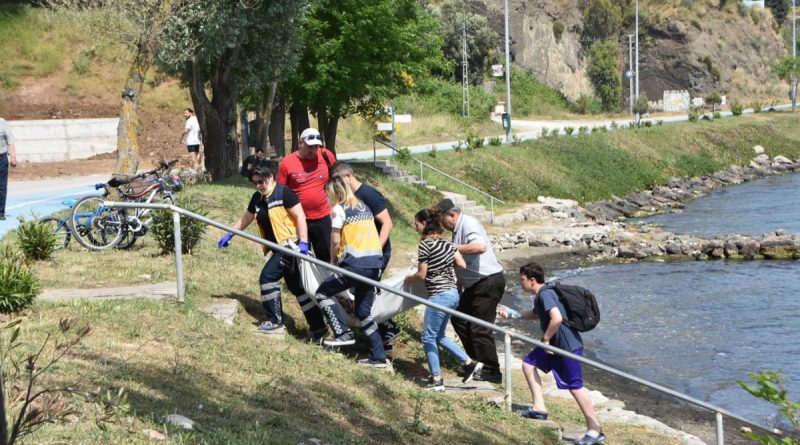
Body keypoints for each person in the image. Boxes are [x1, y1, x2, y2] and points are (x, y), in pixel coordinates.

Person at [497, 262, 604, 445]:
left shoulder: (545, 294)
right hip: (555, 345)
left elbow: (557, 318)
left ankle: (595, 430)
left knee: (575, 386)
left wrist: (546, 339)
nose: (520, 283)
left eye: (522, 280)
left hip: (566, 346)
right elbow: (537, 314)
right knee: (529, 363)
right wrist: (514, 315)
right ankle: (539, 408)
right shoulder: (544, 294)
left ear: (532, 280)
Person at [217, 165, 329, 341]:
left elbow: (300, 216)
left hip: (290, 246)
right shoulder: (258, 198)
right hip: (278, 248)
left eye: (261, 181)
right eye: (255, 183)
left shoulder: (284, 193)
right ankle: (319, 328)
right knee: (298, 288)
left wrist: (304, 242)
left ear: (270, 177)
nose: (258, 185)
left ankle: (275, 321)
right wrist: (230, 234)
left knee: (267, 277)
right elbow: (247, 217)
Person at [404, 209, 483, 391]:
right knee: (439, 335)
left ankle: (436, 379)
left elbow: (422, 274)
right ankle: (469, 363)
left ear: (424, 224)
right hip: (453, 293)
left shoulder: (425, 245)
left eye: (417, 224)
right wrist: (444, 263)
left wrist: (410, 278)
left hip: (439, 295)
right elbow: (462, 264)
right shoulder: (447, 243)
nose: (416, 228)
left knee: (428, 337)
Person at [315, 176, 389, 370]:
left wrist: (332, 261)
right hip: (374, 267)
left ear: (334, 193)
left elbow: (335, 241)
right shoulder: (363, 207)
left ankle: (342, 333)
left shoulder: (339, 209)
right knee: (364, 312)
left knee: (322, 293)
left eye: (328, 194)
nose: (328, 198)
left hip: (355, 266)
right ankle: (378, 357)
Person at [331, 161, 402, 351]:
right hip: (361, 254)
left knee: (363, 295)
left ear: (348, 177)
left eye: (339, 181)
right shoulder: (351, 197)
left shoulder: (368, 194)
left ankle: (388, 328)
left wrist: (376, 251)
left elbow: (387, 223)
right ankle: (380, 336)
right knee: (360, 294)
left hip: (374, 253)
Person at [436, 198, 505, 383]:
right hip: (475, 284)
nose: (441, 224)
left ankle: (492, 371)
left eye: (441, 220)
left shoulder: (468, 223)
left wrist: (451, 248)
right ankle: (476, 362)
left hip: (488, 282)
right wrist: (459, 281)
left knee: (480, 328)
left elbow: (479, 247)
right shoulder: (457, 229)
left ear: (452, 215)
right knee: (458, 317)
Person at [277, 128, 336, 262]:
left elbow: (338, 180)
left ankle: (328, 282)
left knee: (327, 257)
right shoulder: (287, 163)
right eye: (310, 147)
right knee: (299, 261)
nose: (314, 150)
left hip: (323, 218)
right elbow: (280, 192)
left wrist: (337, 205)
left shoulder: (326, 155)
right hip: (297, 219)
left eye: (316, 146)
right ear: (300, 143)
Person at [0, 117, 17, 221]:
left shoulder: (2, 122)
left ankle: (1, 212)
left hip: (1, 158)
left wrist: (13, 157)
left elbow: (10, 140)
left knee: (1, 186)